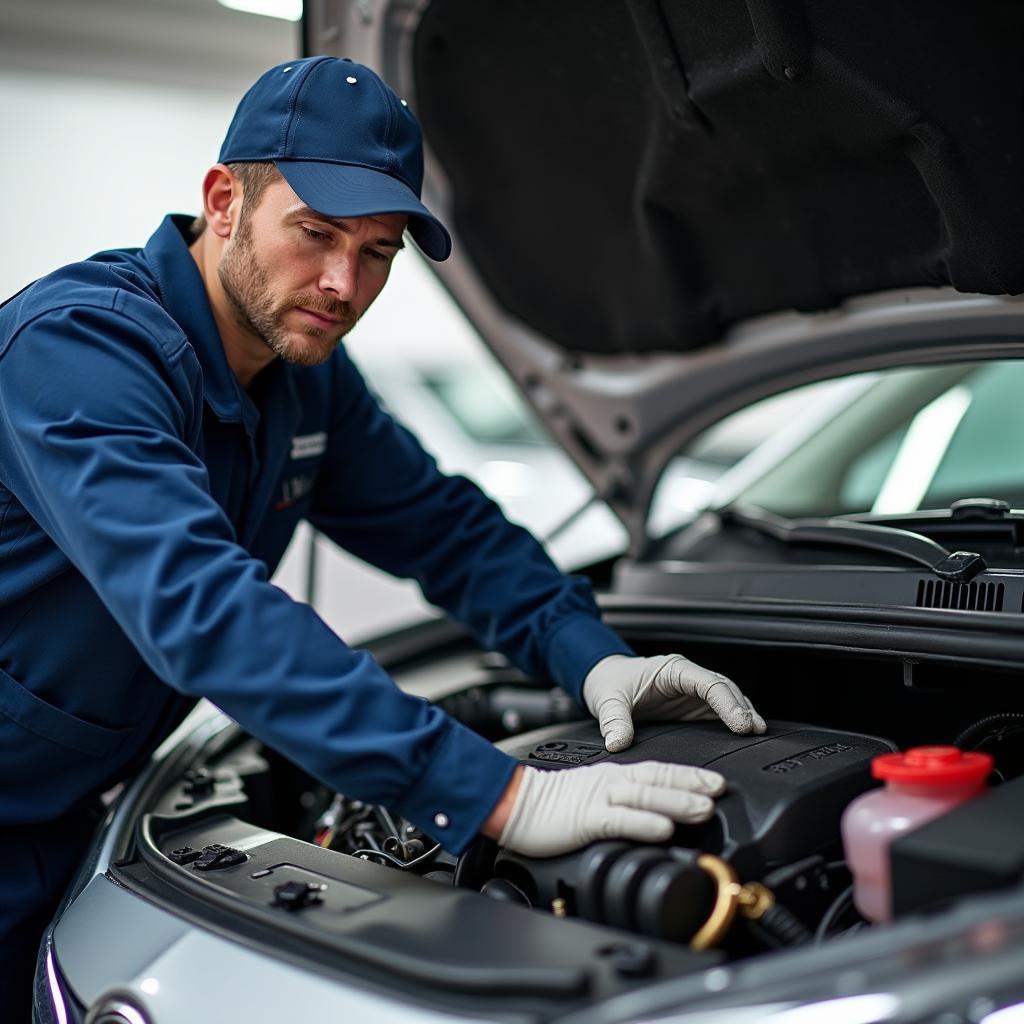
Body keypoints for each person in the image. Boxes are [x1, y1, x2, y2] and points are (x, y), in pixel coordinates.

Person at [0, 56, 765, 1013]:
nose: (341, 284)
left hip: (66, 814)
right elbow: (204, 609)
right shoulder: (79, 351)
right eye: (315, 234)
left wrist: (591, 657)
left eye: (377, 253)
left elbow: (446, 531)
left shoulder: (305, 374)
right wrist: (496, 796)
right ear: (224, 199)